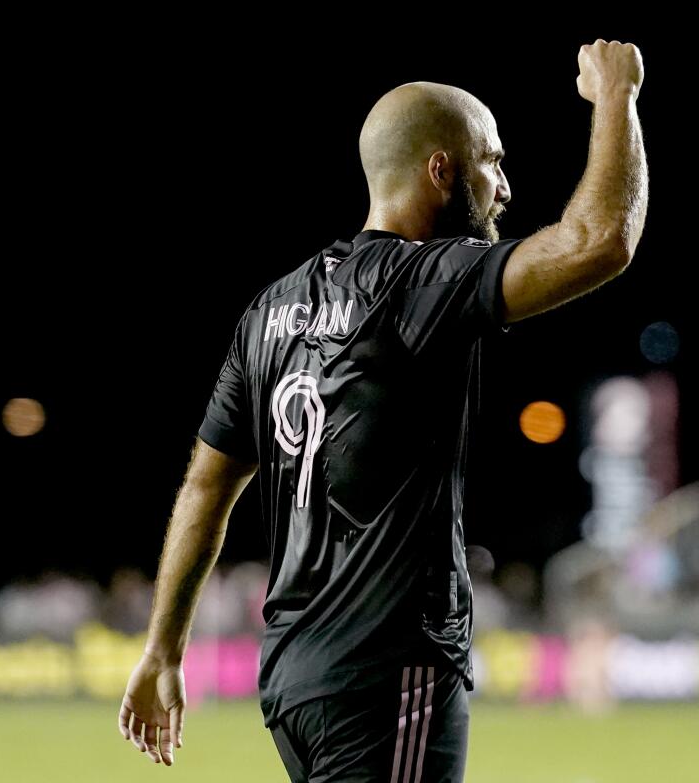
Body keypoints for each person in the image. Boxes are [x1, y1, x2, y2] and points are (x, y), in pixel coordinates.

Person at [117, 39, 648, 781]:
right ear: (441, 170)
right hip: (387, 674)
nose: (504, 189)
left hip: (295, 680)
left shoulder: (271, 309)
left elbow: (206, 487)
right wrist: (617, 99)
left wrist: (163, 650)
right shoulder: (419, 281)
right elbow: (599, 243)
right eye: (491, 161)